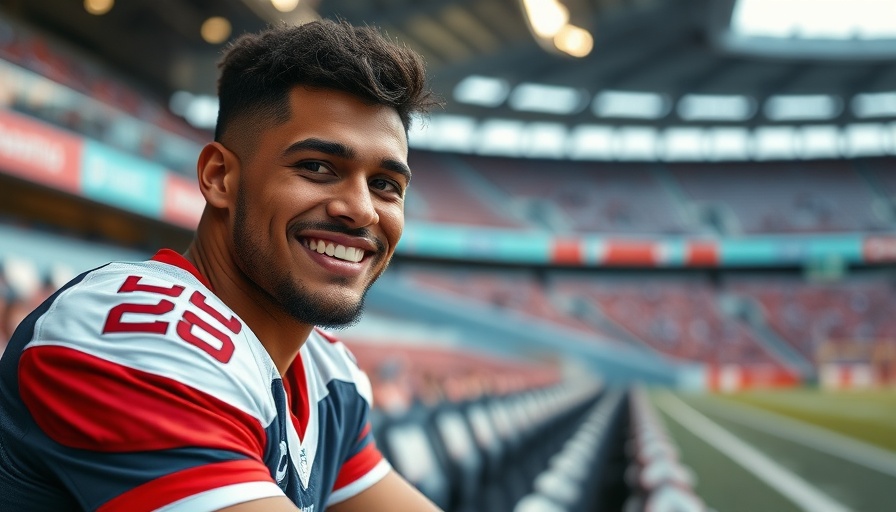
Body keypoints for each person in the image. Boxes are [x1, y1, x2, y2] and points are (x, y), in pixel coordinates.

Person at [0, 19, 442, 512]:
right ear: (219, 177)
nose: (361, 209)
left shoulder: (328, 376)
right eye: (317, 167)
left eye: (386, 185)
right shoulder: (136, 335)